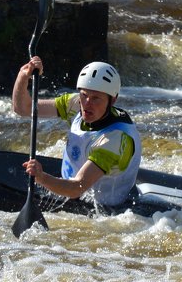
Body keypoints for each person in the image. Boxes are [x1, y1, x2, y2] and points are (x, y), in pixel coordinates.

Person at [12, 58, 142, 207]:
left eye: (96, 98)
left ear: (112, 100)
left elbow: (77, 188)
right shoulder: (75, 104)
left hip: (104, 209)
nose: (87, 104)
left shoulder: (115, 139)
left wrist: (42, 178)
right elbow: (23, 108)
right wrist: (24, 76)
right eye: (84, 95)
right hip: (71, 189)